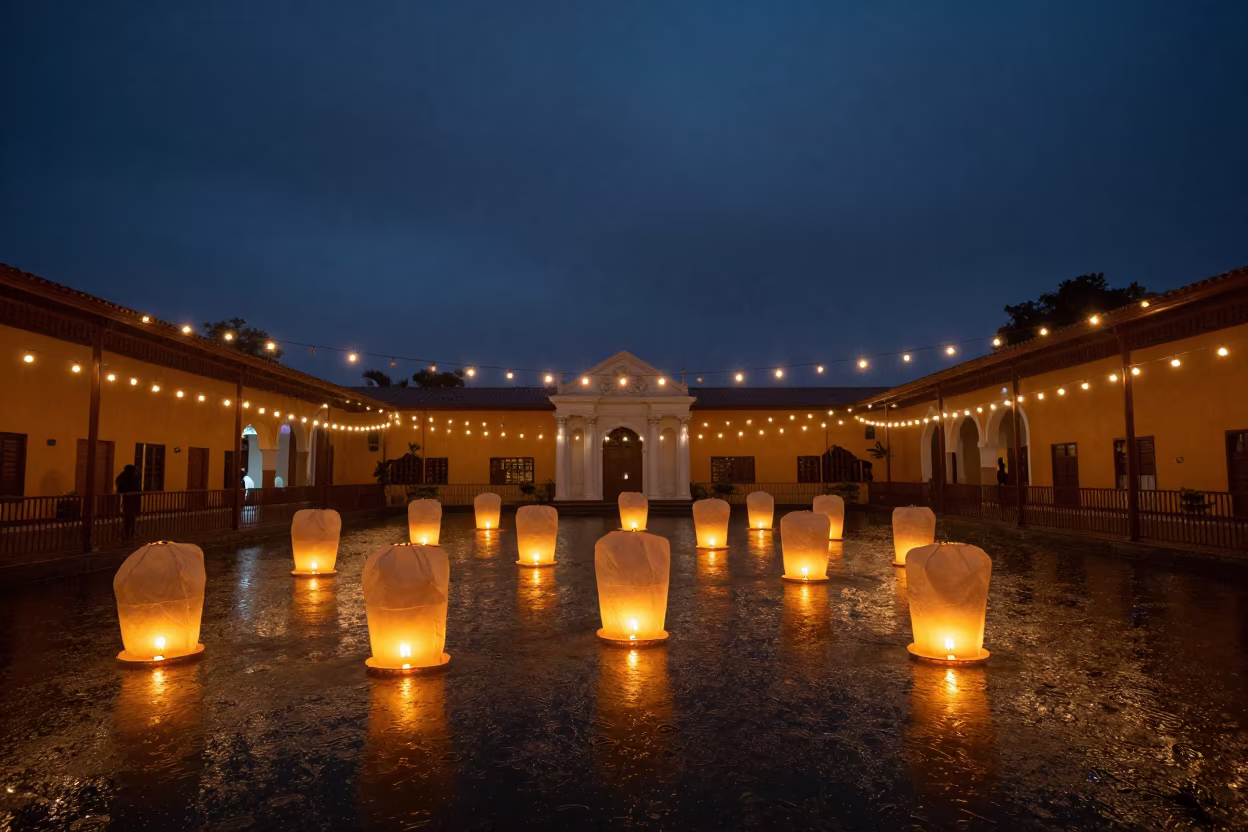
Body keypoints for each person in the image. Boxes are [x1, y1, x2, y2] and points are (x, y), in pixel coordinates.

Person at [115, 464, 143, 539]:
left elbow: (119, 484)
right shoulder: (134, 477)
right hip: (133, 499)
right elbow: (138, 488)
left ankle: (127, 531)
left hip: (127, 499)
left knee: (128, 515)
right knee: (131, 516)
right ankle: (131, 532)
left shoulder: (123, 476)